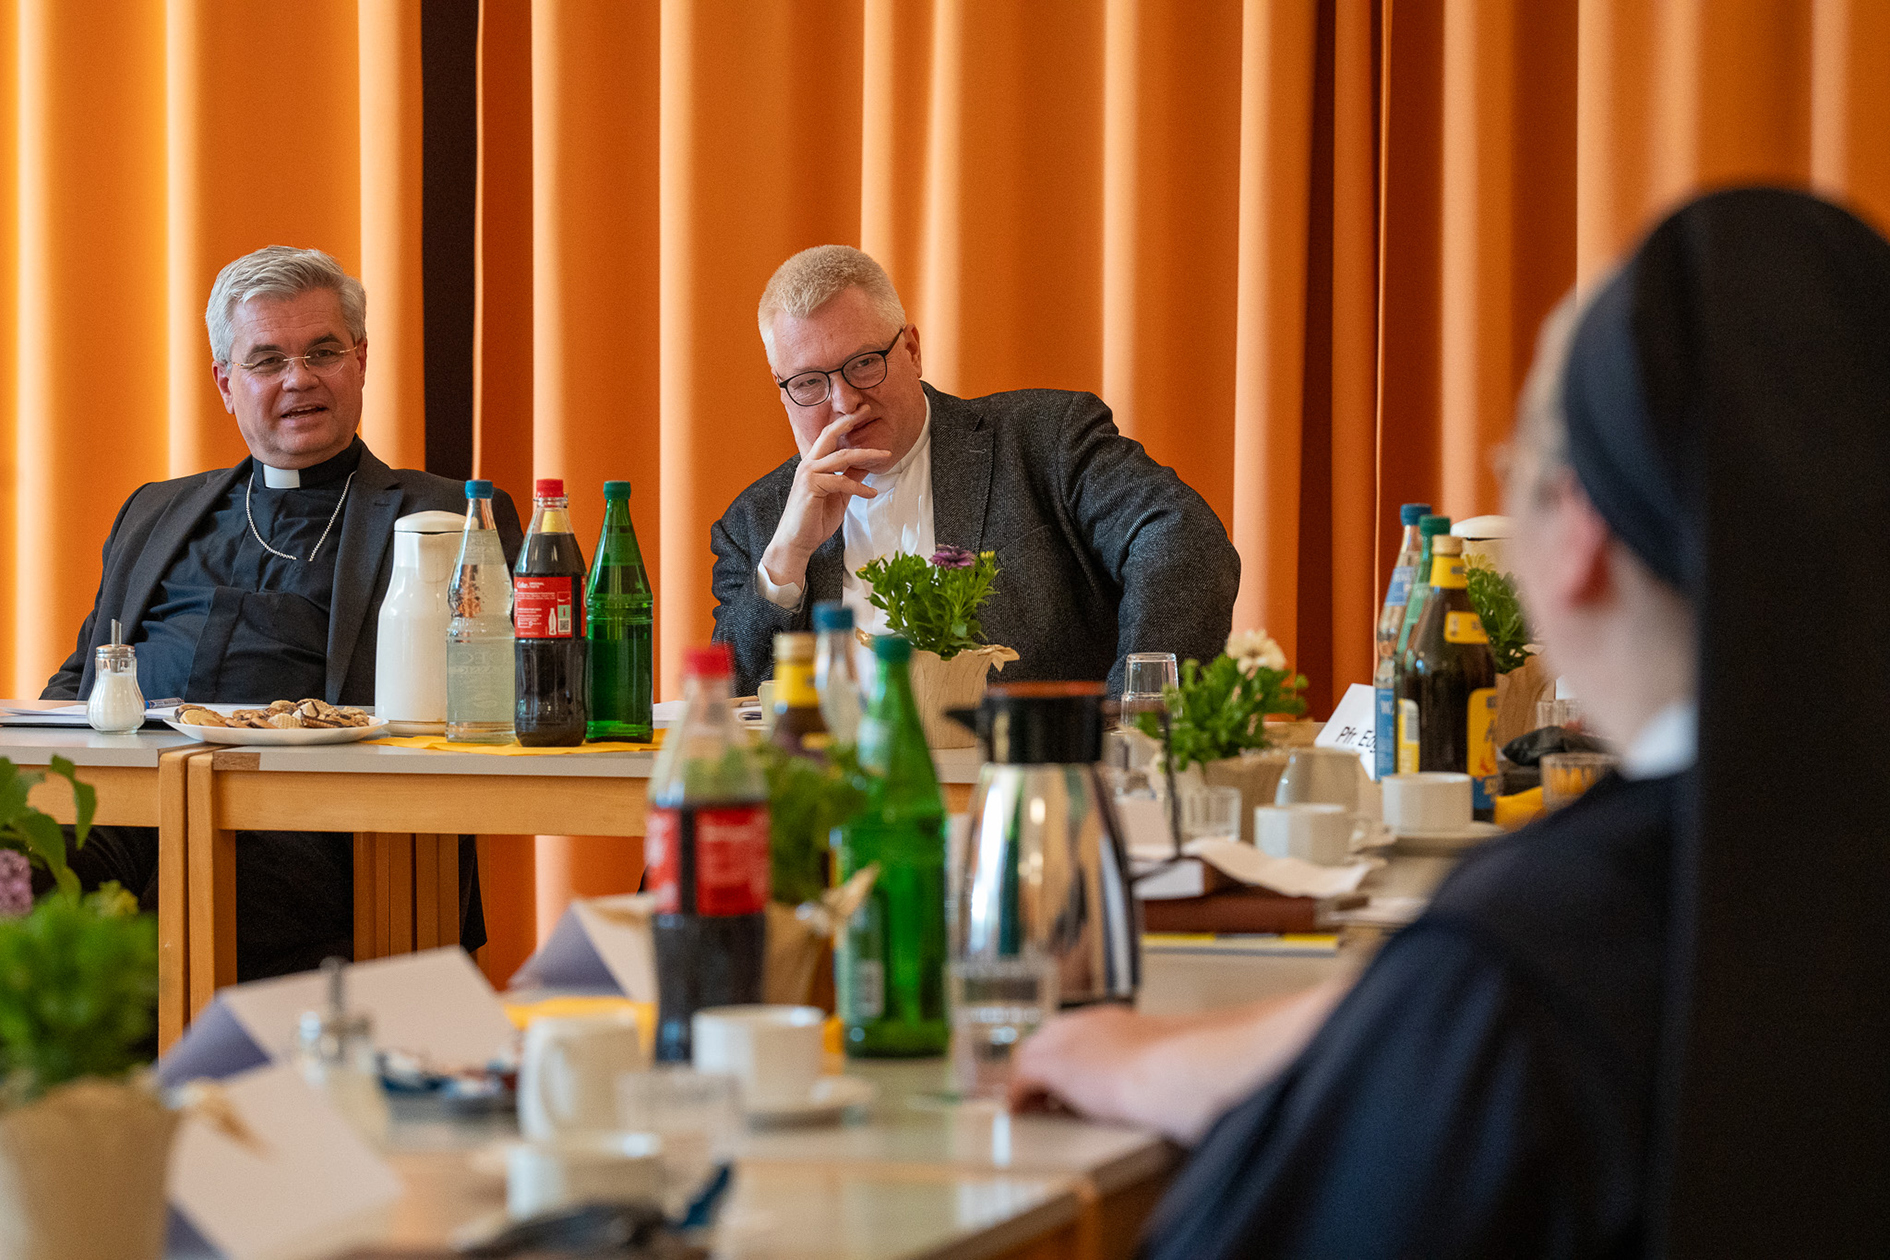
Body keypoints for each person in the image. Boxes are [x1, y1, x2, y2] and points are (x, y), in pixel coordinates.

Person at [1010, 188, 1890, 1256]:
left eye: (1516, 477)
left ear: (1580, 533)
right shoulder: (1708, 890)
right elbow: (1440, 1010)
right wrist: (1174, 1056)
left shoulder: (1540, 951)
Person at [44, 245, 524, 980]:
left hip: (317, 825)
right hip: (128, 802)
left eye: (322, 352)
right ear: (225, 383)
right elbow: (80, 676)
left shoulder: (448, 518)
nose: (299, 378)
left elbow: (503, 695)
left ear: (361, 361)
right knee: (21, 862)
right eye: (267, 360)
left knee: (168, 913)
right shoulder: (154, 510)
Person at [710, 245, 1240, 696]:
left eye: (865, 363)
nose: (845, 400)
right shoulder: (755, 524)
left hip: (1022, 775)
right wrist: (787, 558)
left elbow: (1182, 539)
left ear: (911, 350)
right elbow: (728, 705)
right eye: (809, 382)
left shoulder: (1046, 442)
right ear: (783, 390)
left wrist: (1136, 709)